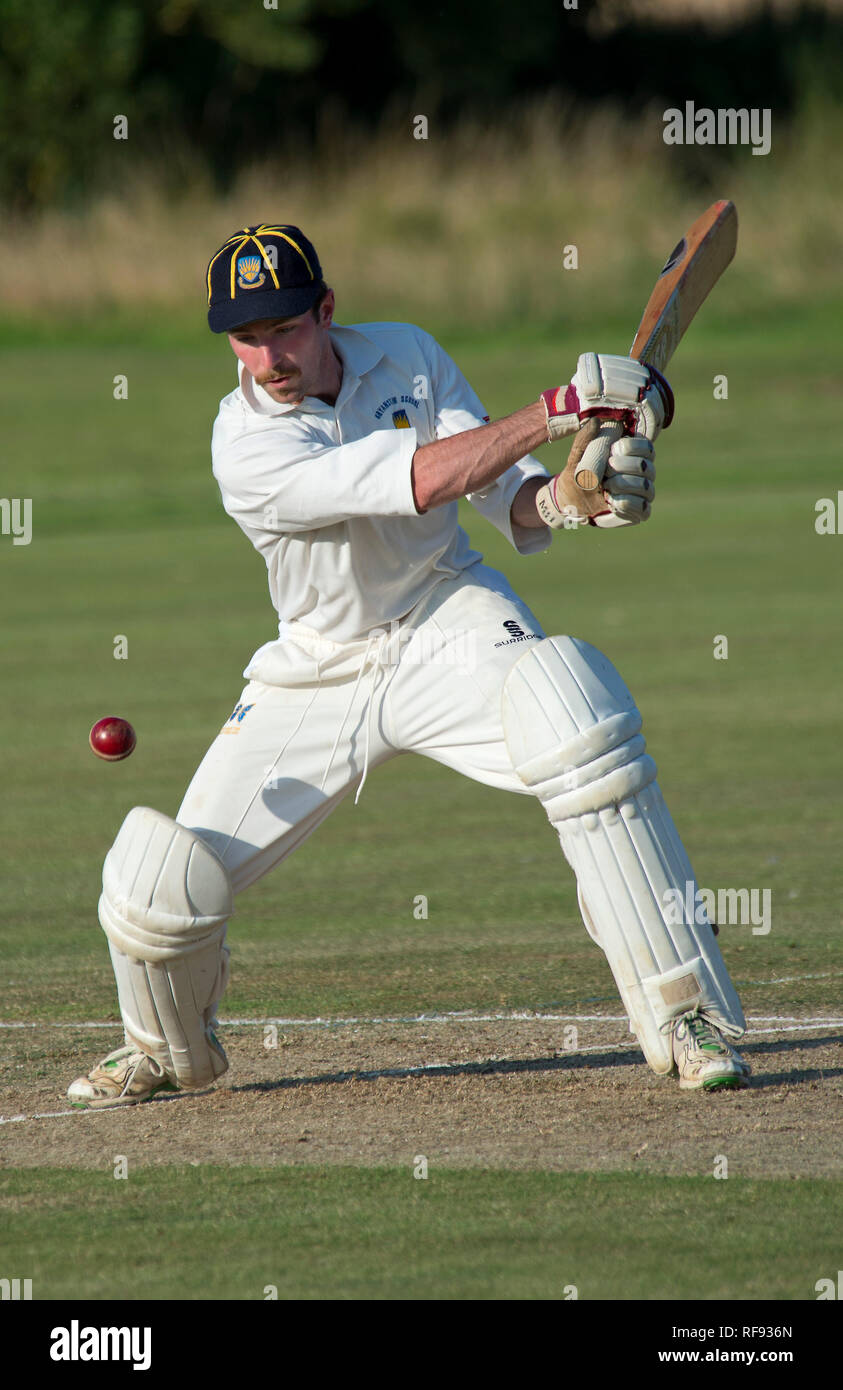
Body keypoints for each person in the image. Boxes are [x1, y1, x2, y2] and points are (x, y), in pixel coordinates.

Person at [68, 223, 749, 1109]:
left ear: (325, 310)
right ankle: (161, 1045)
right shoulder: (244, 446)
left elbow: (505, 497)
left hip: (445, 619)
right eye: (246, 336)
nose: (268, 356)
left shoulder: (407, 356)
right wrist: (557, 407)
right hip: (316, 666)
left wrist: (574, 495)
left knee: (574, 714)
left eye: (285, 327)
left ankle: (682, 1015)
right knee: (159, 887)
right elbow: (422, 480)